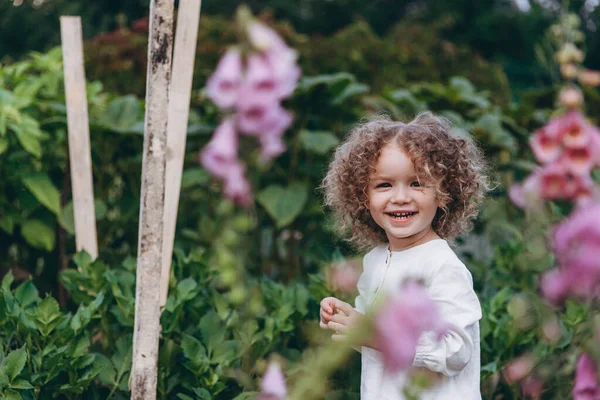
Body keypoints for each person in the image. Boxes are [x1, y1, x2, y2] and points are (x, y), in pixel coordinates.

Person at [318, 112, 489, 399]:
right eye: (384, 184)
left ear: (444, 193)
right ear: (362, 195)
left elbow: (455, 350)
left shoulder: (442, 265)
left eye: (417, 183)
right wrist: (348, 320)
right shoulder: (374, 261)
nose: (400, 197)